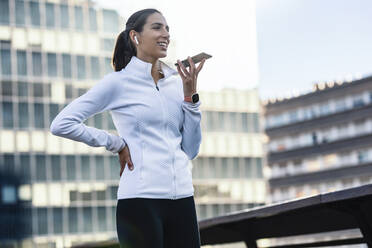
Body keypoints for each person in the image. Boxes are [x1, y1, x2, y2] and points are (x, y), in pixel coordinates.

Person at [50, 8, 206, 248]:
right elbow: (61, 124)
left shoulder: (177, 83)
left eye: (167, 29)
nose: (165, 34)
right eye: (157, 27)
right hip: (140, 201)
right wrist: (116, 143)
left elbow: (191, 149)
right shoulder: (118, 83)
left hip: (183, 199)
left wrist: (190, 98)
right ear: (135, 36)